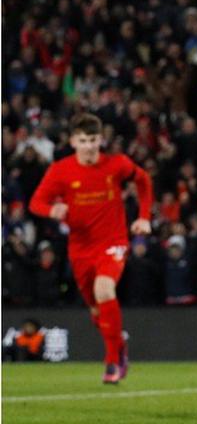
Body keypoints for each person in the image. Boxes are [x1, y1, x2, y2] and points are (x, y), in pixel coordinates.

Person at [29, 113, 153, 383]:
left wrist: (143, 216)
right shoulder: (61, 170)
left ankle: (111, 363)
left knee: (104, 288)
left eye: (93, 140)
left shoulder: (117, 164)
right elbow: (35, 203)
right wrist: (52, 210)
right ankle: (118, 344)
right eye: (83, 140)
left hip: (113, 243)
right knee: (97, 312)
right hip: (80, 250)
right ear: (73, 141)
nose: (88, 146)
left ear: (101, 140)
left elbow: (143, 180)